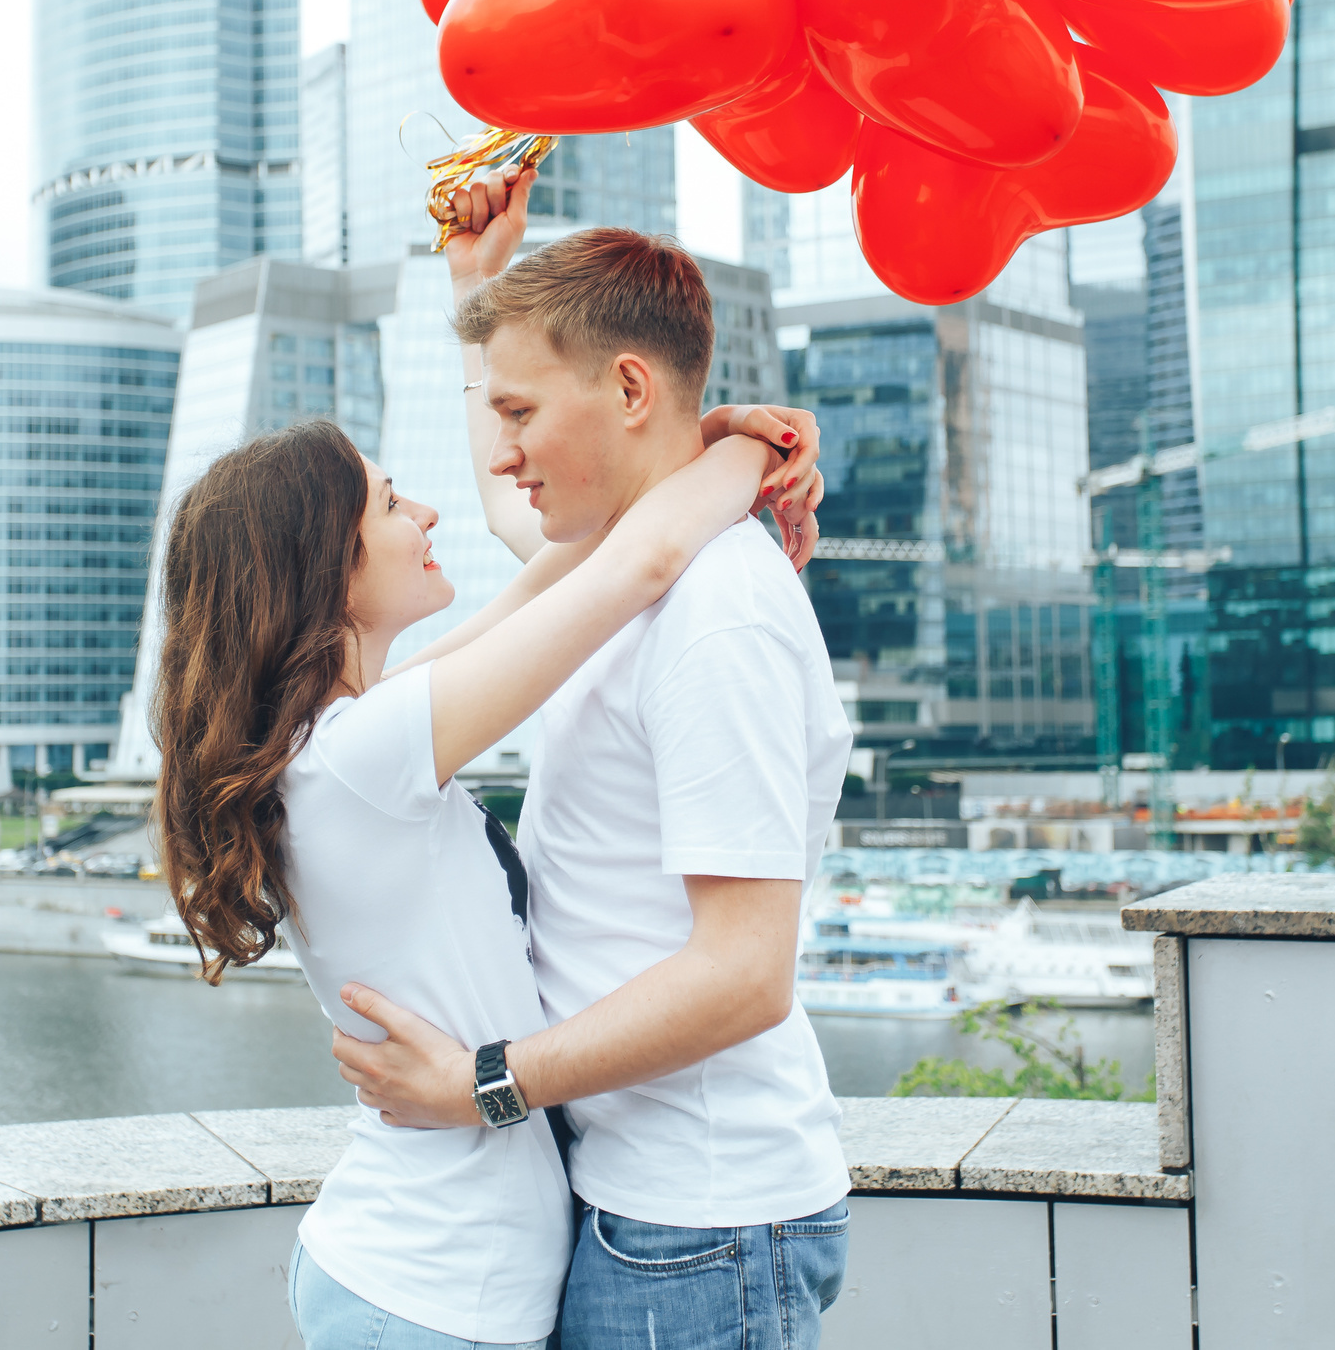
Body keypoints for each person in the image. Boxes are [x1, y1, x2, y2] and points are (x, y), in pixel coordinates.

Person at [153, 386, 823, 1346]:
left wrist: (690, 443)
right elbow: (639, 562)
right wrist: (753, 455)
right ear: (324, 570)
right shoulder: (360, 753)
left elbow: (542, 584)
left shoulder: (339, 744)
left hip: (417, 1279)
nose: (425, 514)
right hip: (430, 1296)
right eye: (389, 503)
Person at [330, 171, 859, 1350]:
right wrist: (475, 283)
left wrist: (485, 1082)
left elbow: (744, 974)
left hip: (699, 1223)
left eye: (521, 414)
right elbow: (519, 515)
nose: (504, 453)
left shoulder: (714, 604)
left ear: (629, 388)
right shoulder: (623, 559)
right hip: (641, 1200)